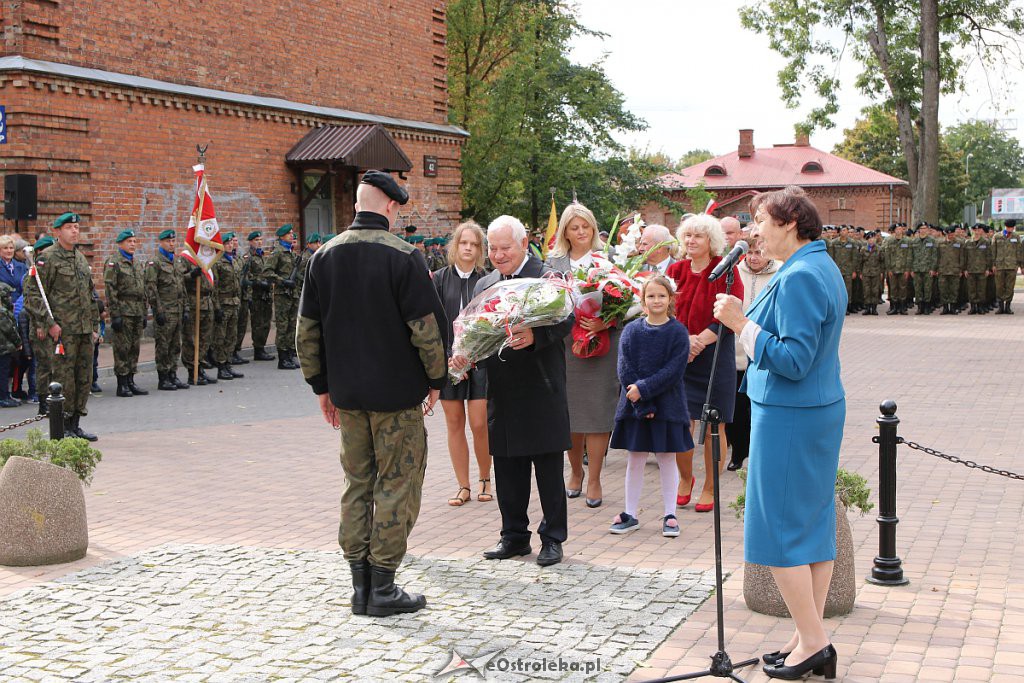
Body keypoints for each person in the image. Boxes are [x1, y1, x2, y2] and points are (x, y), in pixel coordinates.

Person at [296, 170, 447, 617]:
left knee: (357, 484)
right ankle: (383, 587)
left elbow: (307, 332)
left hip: (348, 396)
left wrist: (320, 385)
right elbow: (427, 331)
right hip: (397, 398)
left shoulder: (322, 256)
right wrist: (437, 380)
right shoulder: (404, 257)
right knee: (398, 483)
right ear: (390, 206)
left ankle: (359, 587)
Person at [713, 185, 844, 681]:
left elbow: (793, 359)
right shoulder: (815, 265)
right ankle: (804, 636)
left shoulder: (802, 276)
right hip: (809, 409)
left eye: (761, 221)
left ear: (790, 223)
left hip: (791, 412)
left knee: (781, 532)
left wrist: (740, 324)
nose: (753, 231)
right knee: (809, 528)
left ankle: (814, 642)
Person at [452, 215, 573, 568]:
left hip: (541, 383)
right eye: (493, 248)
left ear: (523, 244)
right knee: (506, 466)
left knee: (548, 468)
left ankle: (553, 538)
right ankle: (514, 535)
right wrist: (464, 354)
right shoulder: (485, 283)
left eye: (505, 247)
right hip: (501, 389)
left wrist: (537, 336)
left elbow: (567, 318)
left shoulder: (547, 274)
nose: (498, 254)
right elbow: (474, 330)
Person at [666, 214, 743, 513]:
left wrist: (699, 341)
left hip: (714, 356)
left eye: (698, 236)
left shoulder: (727, 271)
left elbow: (729, 312)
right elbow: (663, 306)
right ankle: (686, 479)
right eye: (687, 236)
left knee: (715, 424)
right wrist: (684, 341)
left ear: (711, 241)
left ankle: (711, 487)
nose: (691, 241)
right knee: (681, 422)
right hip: (679, 353)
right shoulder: (676, 269)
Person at [608, 275, 692, 537]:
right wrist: (639, 398)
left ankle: (670, 514)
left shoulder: (678, 332)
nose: (656, 300)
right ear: (643, 301)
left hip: (668, 405)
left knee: (667, 458)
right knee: (636, 459)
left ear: (670, 300)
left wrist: (644, 390)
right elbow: (624, 366)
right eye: (651, 296)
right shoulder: (632, 330)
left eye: (661, 296)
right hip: (634, 407)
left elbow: (674, 370)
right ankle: (630, 513)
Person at [546, 203, 613, 508]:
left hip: (599, 345)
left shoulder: (608, 261)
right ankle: (575, 472)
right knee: (570, 413)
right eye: (575, 227)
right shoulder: (553, 264)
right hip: (566, 347)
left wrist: (606, 321)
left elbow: (626, 302)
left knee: (597, 414)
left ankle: (596, 478)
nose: (581, 232)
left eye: (586, 226)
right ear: (566, 233)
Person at [23, 212, 100, 441]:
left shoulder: (80, 258)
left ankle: (75, 423)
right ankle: (62, 426)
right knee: (64, 379)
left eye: (76, 227)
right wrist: (50, 324)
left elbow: (89, 295)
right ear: (57, 231)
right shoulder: (47, 259)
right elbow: (32, 295)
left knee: (83, 378)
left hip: (84, 330)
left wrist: (95, 326)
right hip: (63, 331)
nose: (74, 231)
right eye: (69, 227)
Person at [432, 221, 492, 507]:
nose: (468, 248)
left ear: (481, 249)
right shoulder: (439, 279)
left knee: (480, 423)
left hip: (480, 361)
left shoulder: (488, 279)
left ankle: (484, 478)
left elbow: (492, 324)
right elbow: (432, 323)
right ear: (454, 246)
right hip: (448, 362)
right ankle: (463, 485)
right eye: (463, 243)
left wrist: (473, 354)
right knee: (454, 423)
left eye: (474, 244)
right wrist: (447, 356)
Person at [725, 239, 779, 471]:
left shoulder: (780, 272)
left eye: (759, 252)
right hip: (736, 349)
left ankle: (757, 454)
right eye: (750, 253)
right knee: (735, 408)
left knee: (756, 408)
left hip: (763, 347)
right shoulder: (734, 272)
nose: (754, 257)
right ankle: (737, 452)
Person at [104, 229, 149, 397]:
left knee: (134, 347)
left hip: (137, 310)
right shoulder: (114, 262)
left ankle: (131, 380)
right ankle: (122, 383)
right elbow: (111, 289)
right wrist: (114, 314)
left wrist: (144, 312)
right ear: (120, 243)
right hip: (123, 311)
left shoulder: (137, 264)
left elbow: (142, 290)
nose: (132, 244)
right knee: (122, 348)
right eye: (129, 241)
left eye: (134, 241)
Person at [145, 229, 189, 391]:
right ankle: (163, 377)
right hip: (165, 311)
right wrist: (158, 311)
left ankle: (173, 374)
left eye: (173, 241)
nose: (171, 244)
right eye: (168, 241)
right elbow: (151, 287)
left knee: (175, 345)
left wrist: (186, 309)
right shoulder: (155, 262)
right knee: (163, 345)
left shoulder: (176, 261)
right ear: (161, 242)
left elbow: (181, 285)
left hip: (177, 310)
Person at [262, 224, 301, 369]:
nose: (292, 235)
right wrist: (283, 281)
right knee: (283, 326)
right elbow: (266, 272)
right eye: (289, 233)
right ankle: (283, 357)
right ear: (282, 236)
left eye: (292, 233)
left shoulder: (290, 252)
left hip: (293, 294)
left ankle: (290, 355)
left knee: (292, 325)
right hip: (282, 295)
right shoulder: (277, 252)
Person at [178, 255, 219, 385]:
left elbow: (214, 282)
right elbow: (179, 279)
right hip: (193, 302)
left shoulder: (206, 257)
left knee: (205, 339)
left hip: (207, 302)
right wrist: (192, 275)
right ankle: (192, 371)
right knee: (191, 339)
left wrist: (216, 306)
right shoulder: (186, 258)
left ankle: (200, 367)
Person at [211, 233, 244, 380]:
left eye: (231, 243)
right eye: (227, 243)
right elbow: (214, 288)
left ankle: (228, 364)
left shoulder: (234, 261)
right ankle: (221, 366)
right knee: (221, 337)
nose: (230, 245)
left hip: (234, 303)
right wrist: (217, 308)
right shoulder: (217, 263)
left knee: (231, 336)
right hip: (223, 304)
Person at [245, 231, 275, 361]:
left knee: (266, 323)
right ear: (251, 242)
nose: (259, 242)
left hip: (266, 294)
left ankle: (262, 347)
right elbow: (246, 276)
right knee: (257, 323)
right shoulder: (248, 257)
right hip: (256, 294)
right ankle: (258, 349)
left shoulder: (263, 256)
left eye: (261, 240)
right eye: (256, 240)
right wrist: (258, 281)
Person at [0, 284, 22, 408]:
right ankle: (3, 397)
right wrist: (18, 343)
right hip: (4, 347)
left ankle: (5, 395)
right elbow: (9, 329)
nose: (10, 298)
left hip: (4, 347)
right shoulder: (2, 312)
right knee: (3, 373)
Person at [964, 224, 993, 315]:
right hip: (971, 269)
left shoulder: (986, 242)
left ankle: (980, 307)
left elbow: (989, 256)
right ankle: (973, 307)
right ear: (972, 231)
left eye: (978, 230)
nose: (977, 232)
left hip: (982, 269)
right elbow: (965, 257)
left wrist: (988, 268)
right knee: (971, 289)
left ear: (981, 231)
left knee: (981, 289)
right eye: (975, 230)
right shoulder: (968, 242)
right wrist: (964, 269)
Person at [936, 227, 965, 315]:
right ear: (946, 234)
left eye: (952, 234)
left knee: (954, 289)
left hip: (954, 269)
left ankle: (952, 307)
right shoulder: (940, 243)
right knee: (943, 289)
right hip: (943, 270)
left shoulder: (959, 243)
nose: (950, 236)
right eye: (949, 234)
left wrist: (961, 269)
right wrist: (936, 268)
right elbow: (937, 257)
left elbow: (962, 257)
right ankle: (945, 308)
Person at [992, 222, 1019, 314]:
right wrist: (993, 264)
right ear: (1005, 226)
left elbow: (1019, 251)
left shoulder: (1016, 236)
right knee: (999, 286)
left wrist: (1019, 265)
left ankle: (1007, 306)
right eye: (1008, 227)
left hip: (1012, 265)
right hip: (999, 265)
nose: (1010, 229)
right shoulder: (997, 236)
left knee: (1010, 287)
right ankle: (1000, 307)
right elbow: (993, 251)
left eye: (1012, 228)